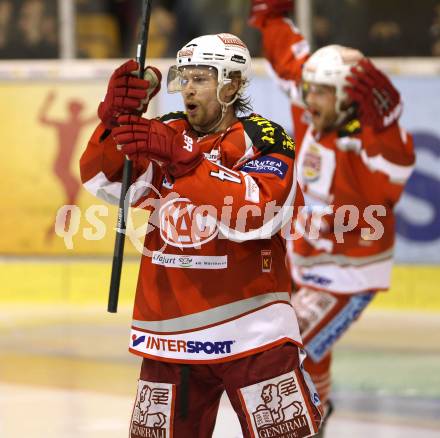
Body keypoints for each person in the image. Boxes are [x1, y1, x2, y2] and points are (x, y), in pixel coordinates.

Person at [79, 33, 322, 437]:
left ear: (232, 84)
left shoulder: (264, 138)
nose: (188, 88)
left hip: (253, 333)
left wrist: (184, 160)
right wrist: (113, 120)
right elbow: (103, 181)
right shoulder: (165, 131)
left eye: (201, 78)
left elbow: (258, 213)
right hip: (169, 339)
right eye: (184, 77)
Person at [249, 1, 415, 436]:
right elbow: (291, 61)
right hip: (304, 259)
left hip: (347, 273)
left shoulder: (370, 144)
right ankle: (318, 409)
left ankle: (310, 416)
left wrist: (387, 125)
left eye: (321, 91)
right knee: (297, 341)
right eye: (310, 90)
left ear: (346, 97)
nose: (309, 98)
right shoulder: (312, 109)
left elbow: (394, 169)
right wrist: (270, 19)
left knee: (293, 343)